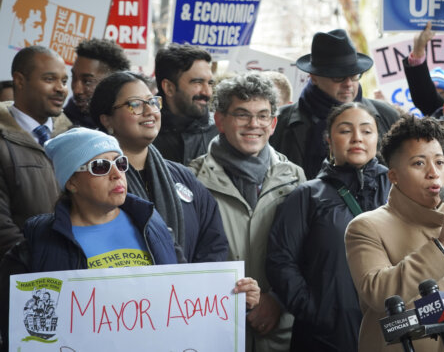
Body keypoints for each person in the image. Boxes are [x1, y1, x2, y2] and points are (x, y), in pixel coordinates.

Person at [0, 128, 260, 350]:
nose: (117, 174)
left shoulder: (151, 225)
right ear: (71, 182)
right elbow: (19, 327)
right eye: (100, 166)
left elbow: (187, 301)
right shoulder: (38, 243)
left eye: (120, 163)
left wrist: (236, 298)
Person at [345, 115, 444, 352]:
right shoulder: (365, 227)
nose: (434, 173)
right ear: (394, 177)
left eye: (439, 162)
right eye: (419, 163)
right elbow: (378, 293)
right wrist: (440, 246)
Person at [189, 72, 306, 352]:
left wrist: (277, 301)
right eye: (242, 115)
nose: (254, 124)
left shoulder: (295, 178)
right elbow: (186, 257)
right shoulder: (191, 179)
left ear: (274, 123)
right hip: (214, 325)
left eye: (263, 115)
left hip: (278, 330)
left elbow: (307, 253)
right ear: (219, 120)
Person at [267, 102, 390, 352]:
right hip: (325, 336)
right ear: (328, 139)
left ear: (378, 138)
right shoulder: (307, 195)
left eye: (367, 131)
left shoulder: (399, 190)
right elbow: (280, 260)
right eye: (345, 130)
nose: (357, 138)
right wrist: (316, 312)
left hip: (392, 329)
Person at [90, 71, 229, 263]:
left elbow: (214, 243)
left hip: (186, 291)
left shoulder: (182, 176)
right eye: (135, 104)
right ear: (107, 120)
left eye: (153, 102)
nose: (150, 111)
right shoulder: (95, 179)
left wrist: (196, 284)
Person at [270, 29, 400, 180]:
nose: (348, 84)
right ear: (314, 77)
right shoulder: (280, 122)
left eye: (354, 76)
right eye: (338, 77)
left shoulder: (386, 115)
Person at [0, 46, 71, 256]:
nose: (61, 89)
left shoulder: (73, 136)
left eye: (64, 81)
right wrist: (39, 263)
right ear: (20, 81)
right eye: (50, 79)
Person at [153, 44, 218, 165]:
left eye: (210, 83)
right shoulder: (142, 135)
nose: (207, 92)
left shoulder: (221, 131)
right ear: (169, 87)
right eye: (197, 82)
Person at [64, 38, 131, 129]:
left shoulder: (133, 126)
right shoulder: (58, 127)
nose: (76, 90)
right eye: (74, 78)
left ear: (114, 83)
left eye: (87, 81)